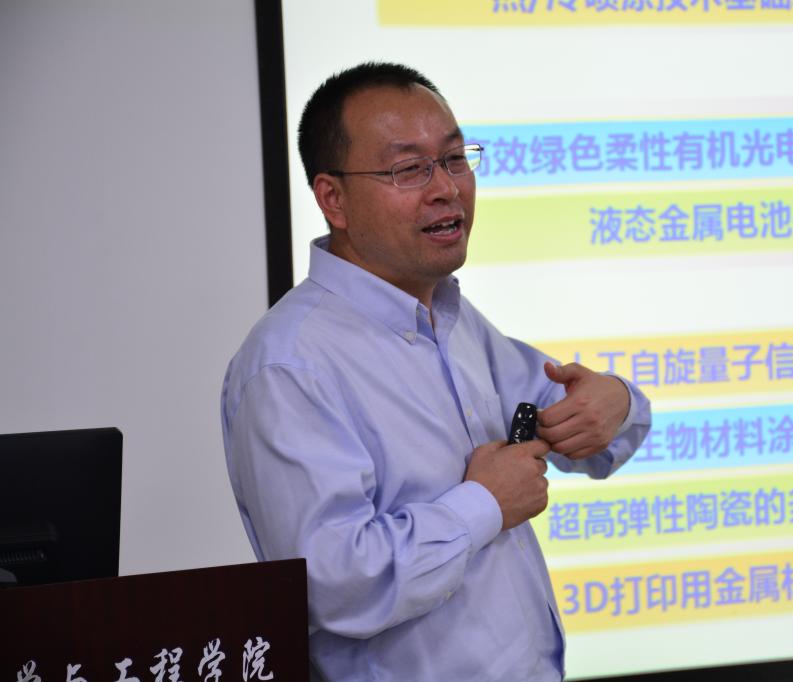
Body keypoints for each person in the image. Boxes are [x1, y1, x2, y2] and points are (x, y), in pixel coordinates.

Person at [220, 62, 651, 682]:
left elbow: (578, 423)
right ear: (333, 199)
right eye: (408, 169)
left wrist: (615, 401)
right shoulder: (289, 366)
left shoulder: (449, 316)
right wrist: (484, 504)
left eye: (453, 159)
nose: (447, 188)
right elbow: (331, 585)